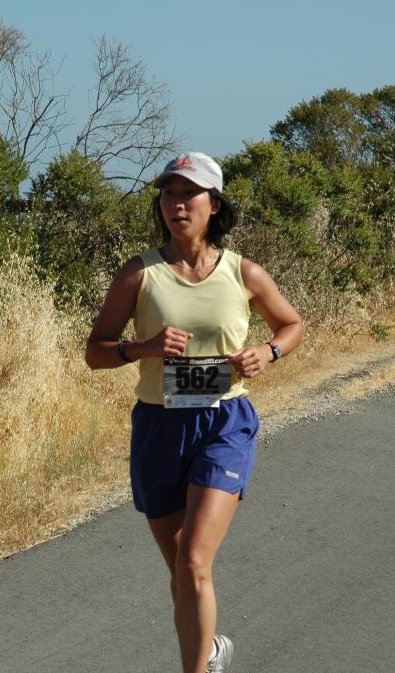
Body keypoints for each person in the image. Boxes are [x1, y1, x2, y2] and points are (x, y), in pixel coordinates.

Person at [85, 152, 304, 673]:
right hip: (159, 425)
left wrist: (268, 351)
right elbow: (95, 351)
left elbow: (292, 324)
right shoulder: (139, 274)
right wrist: (143, 348)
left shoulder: (243, 272)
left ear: (214, 205)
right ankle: (208, 651)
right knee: (182, 572)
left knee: (194, 560)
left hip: (224, 423)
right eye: (169, 194)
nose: (177, 204)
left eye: (189, 194)